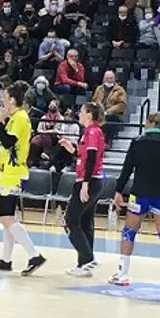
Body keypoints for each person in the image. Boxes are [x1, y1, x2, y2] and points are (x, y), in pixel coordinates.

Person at [110, 112, 160, 290]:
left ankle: (123, 274)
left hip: (140, 193)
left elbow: (127, 168)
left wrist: (118, 190)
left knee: (129, 231)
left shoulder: (138, 142)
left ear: (151, 123)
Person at [0, 81, 48, 275]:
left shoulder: (19, 118)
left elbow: (9, 141)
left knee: (6, 217)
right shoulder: (16, 118)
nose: (3, 102)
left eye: (5, 98)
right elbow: (4, 141)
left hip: (13, 173)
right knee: (8, 219)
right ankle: (5, 259)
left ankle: (34, 255)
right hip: (7, 173)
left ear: (11, 99)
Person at [59, 102, 106, 277]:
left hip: (88, 181)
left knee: (70, 220)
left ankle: (87, 258)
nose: (79, 114)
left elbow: (92, 158)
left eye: (82, 111)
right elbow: (85, 156)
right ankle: (84, 263)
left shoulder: (92, 132)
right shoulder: (92, 132)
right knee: (85, 221)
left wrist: (85, 183)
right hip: (94, 180)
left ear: (89, 114)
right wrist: (72, 149)